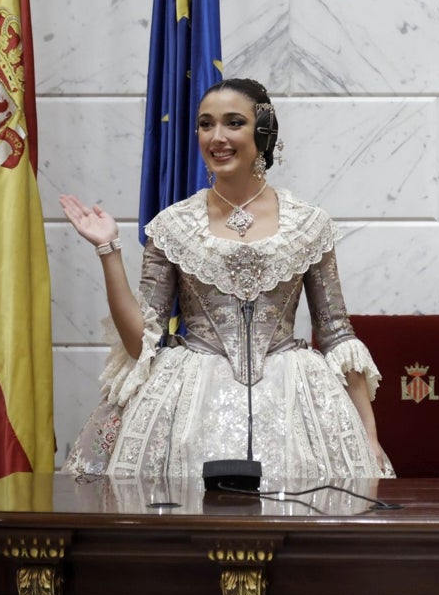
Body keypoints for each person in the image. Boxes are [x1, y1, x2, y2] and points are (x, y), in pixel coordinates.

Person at [60, 78, 392, 480]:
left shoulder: (310, 224)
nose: (217, 137)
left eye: (233, 122)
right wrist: (108, 249)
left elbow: (338, 334)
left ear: (264, 130)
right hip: (186, 400)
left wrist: (369, 439)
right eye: (205, 124)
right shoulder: (173, 225)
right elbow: (138, 340)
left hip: (294, 401)